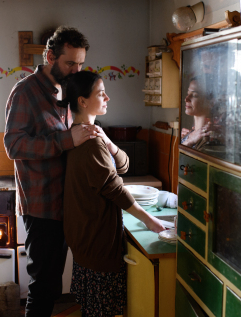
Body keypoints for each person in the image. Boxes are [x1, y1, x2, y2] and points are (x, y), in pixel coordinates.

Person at [4, 26, 97, 317]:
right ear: (49, 56)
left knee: (52, 287)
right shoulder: (25, 92)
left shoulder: (66, 92)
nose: (76, 70)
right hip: (41, 207)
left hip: (64, 204)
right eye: (70, 63)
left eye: (80, 64)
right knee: (42, 287)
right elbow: (14, 145)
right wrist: (65, 140)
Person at [58, 71, 166, 317]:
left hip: (85, 237)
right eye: (100, 93)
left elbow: (124, 165)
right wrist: (149, 219)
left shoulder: (81, 134)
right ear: (83, 101)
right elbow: (114, 188)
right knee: (101, 311)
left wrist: (108, 140)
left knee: (92, 310)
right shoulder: (89, 142)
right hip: (97, 239)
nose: (107, 97)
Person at [181, 76, 214, 149]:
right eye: (188, 93)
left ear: (210, 103)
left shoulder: (208, 139)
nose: (186, 99)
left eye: (195, 95)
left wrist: (189, 141)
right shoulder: (189, 134)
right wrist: (187, 139)